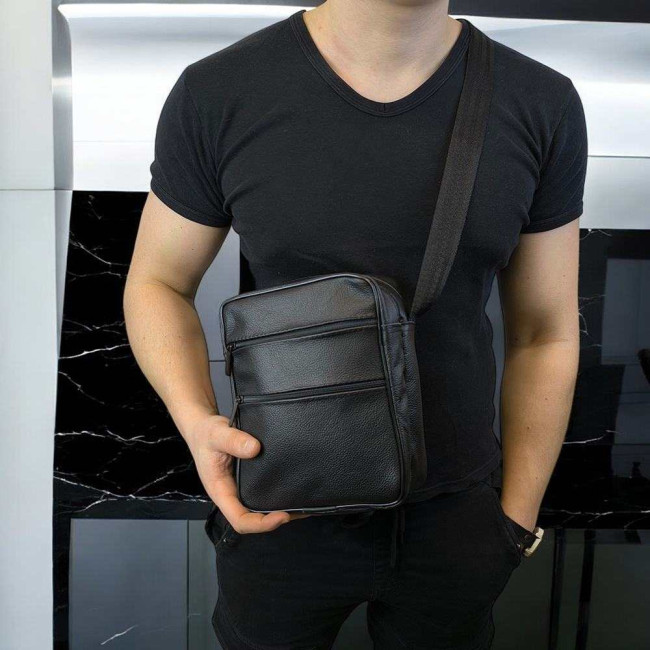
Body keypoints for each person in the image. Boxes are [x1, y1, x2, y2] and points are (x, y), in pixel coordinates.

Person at [123, 1, 587, 648]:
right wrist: (196, 421)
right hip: (282, 503)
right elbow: (158, 283)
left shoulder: (541, 101)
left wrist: (516, 519)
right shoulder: (218, 90)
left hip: (459, 517)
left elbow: (546, 330)